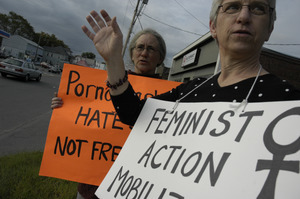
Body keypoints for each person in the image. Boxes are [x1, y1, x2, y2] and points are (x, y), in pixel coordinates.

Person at [80, 0, 300, 130]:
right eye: (232, 7)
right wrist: (114, 60)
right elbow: (133, 115)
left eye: (258, 8)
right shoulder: (190, 91)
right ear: (213, 26)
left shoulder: (290, 102)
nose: (244, 16)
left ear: (270, 28)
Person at [51, 27, 166, 199]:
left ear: (160, 58)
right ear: (132, 53)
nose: (144, 53)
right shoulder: (108, 81)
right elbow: (86, 118)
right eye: (140, 47)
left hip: (135, 186)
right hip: (92, 183)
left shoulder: (171, 96)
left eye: (151, 49)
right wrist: (65, 106)